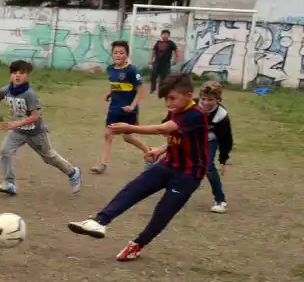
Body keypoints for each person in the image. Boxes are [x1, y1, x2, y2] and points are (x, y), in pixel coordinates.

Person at [68, 73, 208, 262]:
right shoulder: (176, 110)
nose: (169, 103)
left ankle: (138, 245)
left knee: (163, 211)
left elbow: (163, 129)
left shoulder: (195, 114)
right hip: (169, 164)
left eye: (173, 98)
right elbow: (176, 136)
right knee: (133, 189)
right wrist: (160, 150)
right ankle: (99, 222)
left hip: (189, 174)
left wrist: (130, 128)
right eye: (167, 99)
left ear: (189, 95)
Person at [0, 59, 82, 196]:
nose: (17, 76)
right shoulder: (6, 90)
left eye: (21, 73)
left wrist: (15, 123)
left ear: (28, 76)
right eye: (14, 73)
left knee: (49, 157)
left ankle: (73, 172)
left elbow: (35, 116)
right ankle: (9, 184)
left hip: (36, 132)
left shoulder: (29, 94)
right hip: (18, 131)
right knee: (5, 151)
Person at [91, 40, 147, 174]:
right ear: (112, 55)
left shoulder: (132, 70)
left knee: (127, 137)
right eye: (115, 52)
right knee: (108, 135)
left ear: (127, 55)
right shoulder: (110, 69)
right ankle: (102, 164)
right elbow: (115, 84)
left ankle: (149, 151)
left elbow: (140, 90)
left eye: (121, 52)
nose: (118, 55)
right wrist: (109, 93)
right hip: (114, 108)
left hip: (128, 110)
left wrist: (132, 106)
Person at [197, 80, 233, 213]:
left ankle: (220, 200)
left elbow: (226, 140)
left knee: (208, 166)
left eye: (210, 100)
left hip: (209, 141)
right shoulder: (192, 105)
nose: (206, 103)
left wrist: (223, 160)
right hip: (190, 138)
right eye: (203, 99)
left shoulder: (221, 115)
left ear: (218, 99)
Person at [150, 30, 181, 95]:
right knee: (153, 75)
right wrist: (151, 59)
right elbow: (154, 51)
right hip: (157, 63)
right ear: (161, 35)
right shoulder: (158, 42)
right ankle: (153, 90)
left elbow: (176, 51)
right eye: (164, 34)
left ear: (169, 36)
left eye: (166, 34)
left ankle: (161, 90)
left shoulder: (171, 43)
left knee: (163, 78)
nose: (165, 35)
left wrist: (176, 60)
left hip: (166, 64)